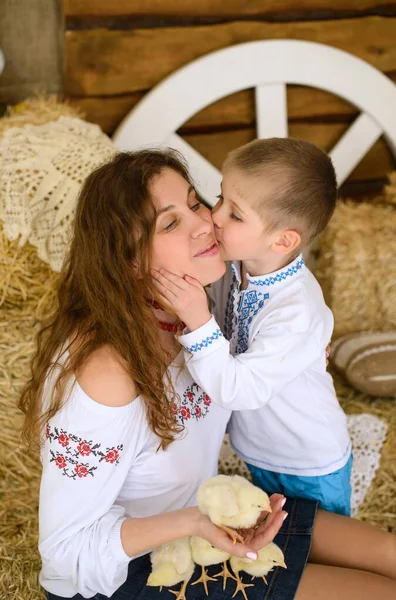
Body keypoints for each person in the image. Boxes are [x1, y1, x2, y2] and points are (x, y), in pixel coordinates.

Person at [19, 149, 396, 600]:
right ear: (129, 260)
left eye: (197, 202)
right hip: (133, 569)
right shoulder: (106, 374)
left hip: (205, 515)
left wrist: (305, 349)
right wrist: (193, 522)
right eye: (170, 223)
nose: (207, 223)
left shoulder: (202, 305)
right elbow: (67, 552)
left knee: (390, 556)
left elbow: (278, 288)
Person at [153, 138, 352, 516]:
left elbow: (239, 390)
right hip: (261, 451)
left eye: (236, 215)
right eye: (220, 199)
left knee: (320, 549)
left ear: (283, 240)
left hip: (308, 460)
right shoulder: (236, 268)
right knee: (276, 540)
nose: (214, 217)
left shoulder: (296, 310)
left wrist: (197, 321)